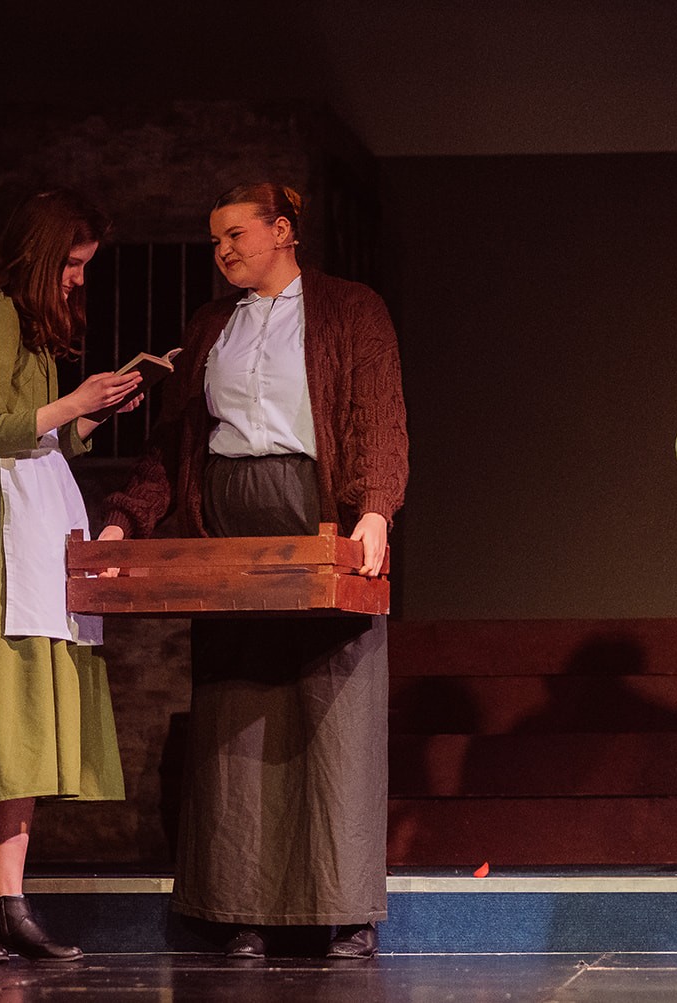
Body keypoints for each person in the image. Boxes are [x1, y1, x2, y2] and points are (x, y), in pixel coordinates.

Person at [99, 182, 407, 961]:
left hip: (315, 507)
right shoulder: (211, 324)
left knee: (332, 708)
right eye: (215, 239)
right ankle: (241, 909)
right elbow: (176, 441)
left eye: (235, 234)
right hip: (230, 520)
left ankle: (341, 911)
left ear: (283, 231)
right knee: (237, 710)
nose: (223, 250)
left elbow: (378, 412)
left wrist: (376, 508)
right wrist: (127, 517)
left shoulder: (351, 308)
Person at [0, 189, 140, 963]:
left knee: (28, 712)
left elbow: (40, 434)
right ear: (40, 253)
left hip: (38, 521)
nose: (77, 279)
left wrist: (90, 413)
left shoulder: (32, 327)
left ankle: (6, 898)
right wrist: (71, 402)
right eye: (71, 263)